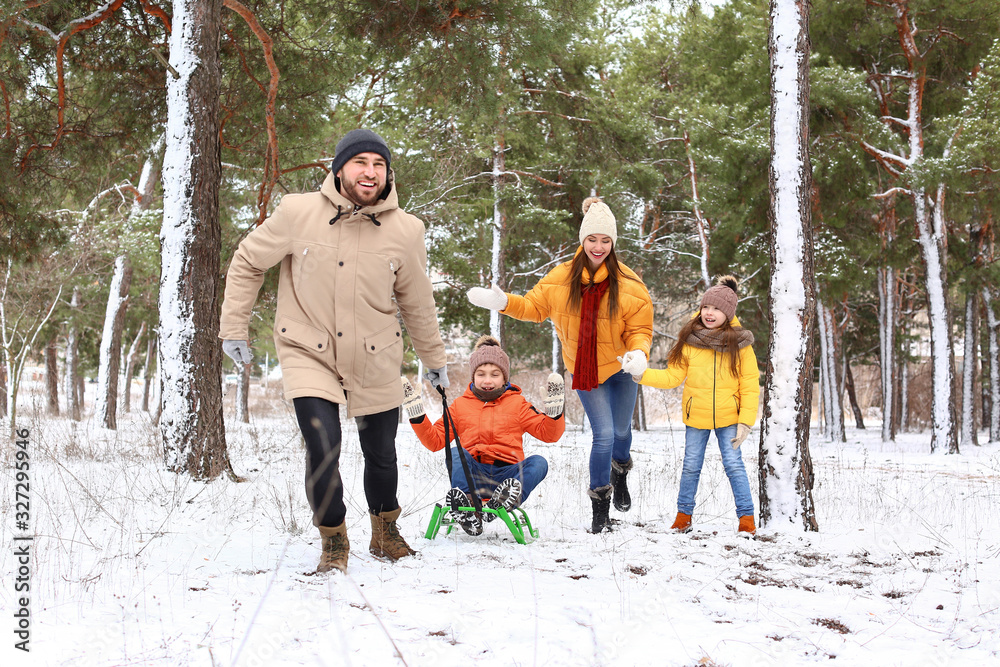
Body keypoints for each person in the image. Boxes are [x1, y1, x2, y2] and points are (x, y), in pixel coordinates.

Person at [219, 128, 449, 574]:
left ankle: (384, 531)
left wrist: (434, 360)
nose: (371, 172)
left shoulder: (406, 230)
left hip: (376, 352)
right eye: (361, 162)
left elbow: (417, 302)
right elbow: (248, 261)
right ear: (340, 168)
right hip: (309, 349)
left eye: (379, 164)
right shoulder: (297, 212)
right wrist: (234, 328)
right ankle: (334, 539)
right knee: (322, 444)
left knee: (381, 451)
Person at [466, 197, 653, 533]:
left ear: (613, 243)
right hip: (585, 371)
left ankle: (621, 471)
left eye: (605, 241)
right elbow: (533, 307)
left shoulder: (629, 285)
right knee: (605, 434)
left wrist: (639, 354)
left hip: (622, 368)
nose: (598, 247)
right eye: (592, 239)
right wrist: (502, 302)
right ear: (583, 241)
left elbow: (640, 329)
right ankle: (600, 510)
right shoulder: (561, 278)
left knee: (623, 432)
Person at [632, 276, 760, 537]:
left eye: (716, 309)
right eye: (706, 307)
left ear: (728, 313)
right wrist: (640, 374)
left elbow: (750, 384)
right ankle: (683, 517)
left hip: (729, 418)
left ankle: (746, 519)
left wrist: (746, 421)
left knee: (734, 465)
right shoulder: (690, 339)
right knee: (691, 465)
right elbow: (672, 377)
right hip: (696, 417)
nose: (709, 313)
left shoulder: (741, 343)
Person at [402, 335, 565, 536]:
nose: (487, 380)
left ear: (505, 377)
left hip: (507, 479)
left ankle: (506, 500)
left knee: (539, 462)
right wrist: (417, 415)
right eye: (481, 374)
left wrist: (555, 413)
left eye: (495, 374)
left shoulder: (518, 404)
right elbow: (435, 441)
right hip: (473, 478)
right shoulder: (460, 406)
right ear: (473, 376)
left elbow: (549, 435)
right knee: (455, 452)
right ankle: (467, 505)